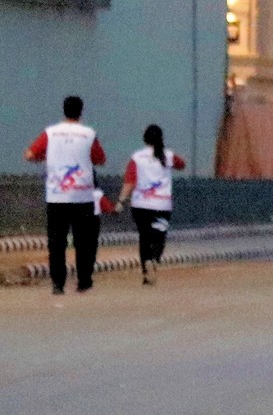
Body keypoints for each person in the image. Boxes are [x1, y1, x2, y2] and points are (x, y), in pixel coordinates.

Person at [28, 95, 105, 294]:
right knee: (84, 241)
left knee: (56, 242)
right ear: (81, 111)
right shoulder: (88, 134)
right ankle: (84, 281)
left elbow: (30, 154)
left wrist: (49, 158)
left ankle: (58, 284)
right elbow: (100, 159)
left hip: (57, 196)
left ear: (63, 110)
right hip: (83, 196)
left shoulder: (50, 133)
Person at [119, 125, 189, 283]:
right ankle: (155, 259)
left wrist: (121, 201)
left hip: (140, 206)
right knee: (159, 237)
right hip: (162, 206)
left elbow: (129, 182)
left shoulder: (137, 157)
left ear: (144, 139)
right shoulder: (168, 156)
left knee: (144, 238)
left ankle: (146, 270)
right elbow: (182, 164)